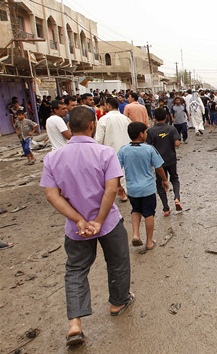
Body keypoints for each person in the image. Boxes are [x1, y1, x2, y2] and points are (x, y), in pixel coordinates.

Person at [40, 106, 134, 347]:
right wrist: (98, 221)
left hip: (76, 228)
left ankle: (75, 324)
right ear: (92, 125)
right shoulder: (105, 153)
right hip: (108, 222)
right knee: (118, 260)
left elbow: (52, 195)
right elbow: (111, 189)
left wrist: (79, 220)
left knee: (75, 270)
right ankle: (118, 302)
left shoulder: (52, 157)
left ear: (69, 127)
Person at [117, 122, 169, 250]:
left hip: (132, 189)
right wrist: (164, 179)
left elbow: (116, 169)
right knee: (149, 213)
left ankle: (135, 234)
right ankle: (149, 242)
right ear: (141, 134)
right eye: (145, 132)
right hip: (147, 188)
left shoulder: (123, 150)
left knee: (135, 210)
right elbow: (158, 167)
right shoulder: (149, 149)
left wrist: (119, 185)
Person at [146, 108, 182, 216]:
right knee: (174, 178)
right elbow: (177, 144)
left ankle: (166, 208)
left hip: (158, 162)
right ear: (166, 117)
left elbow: (148, 146)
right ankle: (177, 198)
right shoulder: (171, 129)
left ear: (155, 118)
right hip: (171, 159)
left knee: (160, 183)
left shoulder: (151, 131)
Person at [95, 97, 132, 202]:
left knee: (114, 173)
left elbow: (98, 139)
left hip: (110, 150)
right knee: (125, 171)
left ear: (109, 106)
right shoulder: (126, 119)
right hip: (126, 147)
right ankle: (126, 191)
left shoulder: (104, 119)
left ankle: (121, 192)